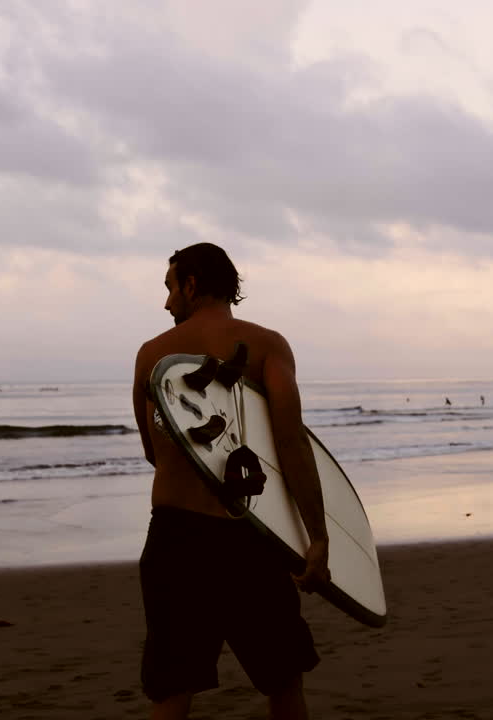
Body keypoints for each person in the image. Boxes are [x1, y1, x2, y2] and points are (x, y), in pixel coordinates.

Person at [131, 243, 330, 720]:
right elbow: (292, 445)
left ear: (191, 285)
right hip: (250, 540)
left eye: (170, 289)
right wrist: (317, 536)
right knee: (283, 682)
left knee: (172, 690)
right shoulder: (267, 346)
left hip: (176, 537)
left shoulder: (152, 355)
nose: (166, 304)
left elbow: (151, 452)